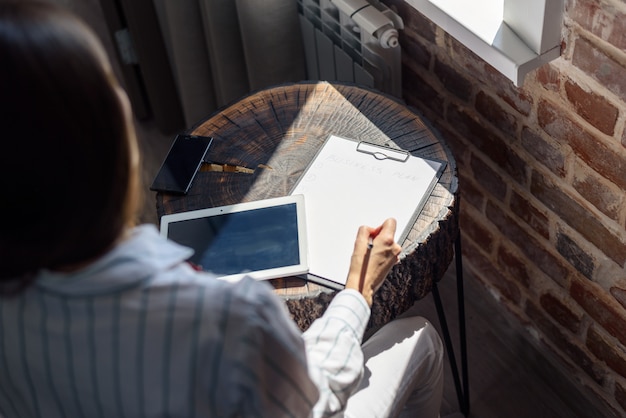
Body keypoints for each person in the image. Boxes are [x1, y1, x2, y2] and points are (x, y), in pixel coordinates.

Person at [0, 1, 444, 417]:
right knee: (421, 338)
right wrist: (358, 292)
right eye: (107, 87)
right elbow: (313, 400)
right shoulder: (224, 317)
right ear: (107, 147)